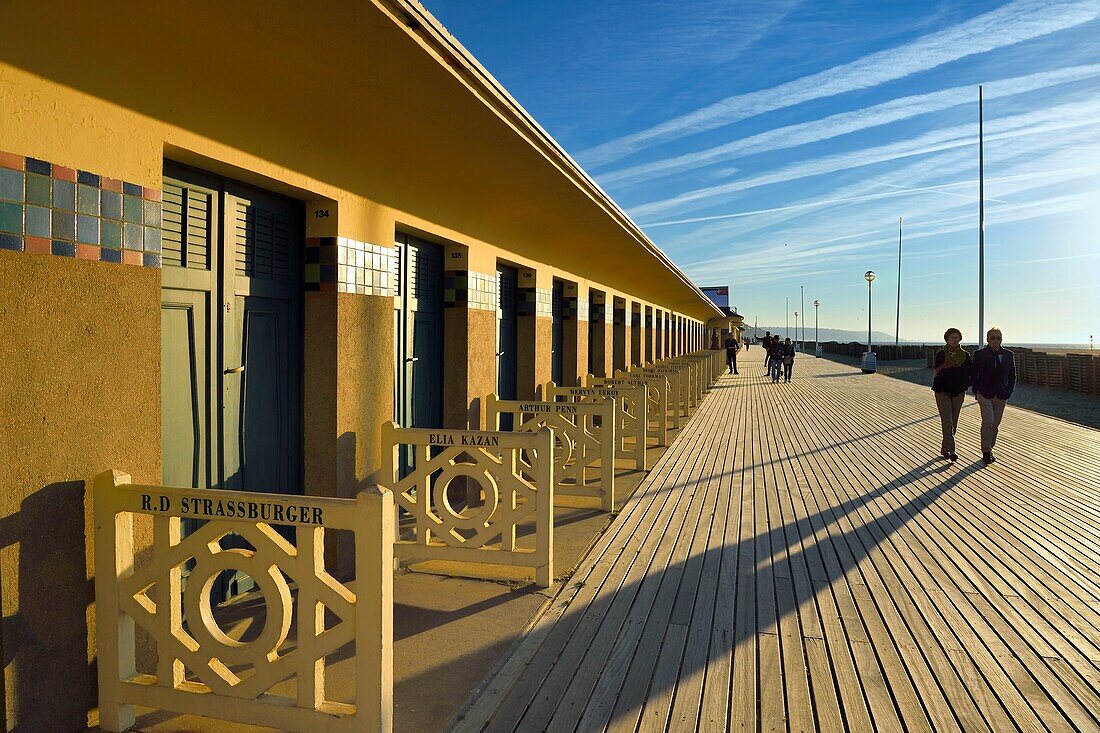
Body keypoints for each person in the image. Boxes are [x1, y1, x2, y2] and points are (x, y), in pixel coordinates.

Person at [971, 327, 1015, 464]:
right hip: (985, 393)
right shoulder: (979, 354)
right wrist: (976, 390)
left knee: (995, 423)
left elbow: (1012, 375)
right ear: (987, 339)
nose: (996, 340)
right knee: (988, 421)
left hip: (1001, 394)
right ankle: (986, 451)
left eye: (999, 338)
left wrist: (1009, 391)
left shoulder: (1008, 355)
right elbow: (973, 374)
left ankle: (990, 448)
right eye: (993, 338)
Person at [931, 327, 971, 461]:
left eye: (956, 337)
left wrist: (965, 384)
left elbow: (968, 373)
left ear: (960, 339)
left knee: (954, 422)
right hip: (942, 391)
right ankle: (952, 450)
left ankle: (944, 447)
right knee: (947, 421)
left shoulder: (965, 356)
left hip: (958, 391)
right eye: (951, 337)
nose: (954, 340)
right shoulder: (941, 355)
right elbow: (937, 371)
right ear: (946, 339)